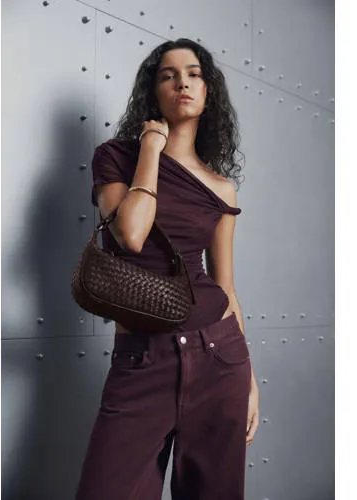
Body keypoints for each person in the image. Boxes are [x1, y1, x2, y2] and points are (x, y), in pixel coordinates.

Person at [75, 38, 260, 500]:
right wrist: (151, 148)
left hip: (220, 358)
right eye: (168, 75)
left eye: (194, 74)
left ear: (208, 91)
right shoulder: (117, 157)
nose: (183, 83)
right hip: (142, 360)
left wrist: (251, 380)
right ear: (152, 91)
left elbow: (226, 286)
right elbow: (131, 234)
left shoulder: (221, 188)